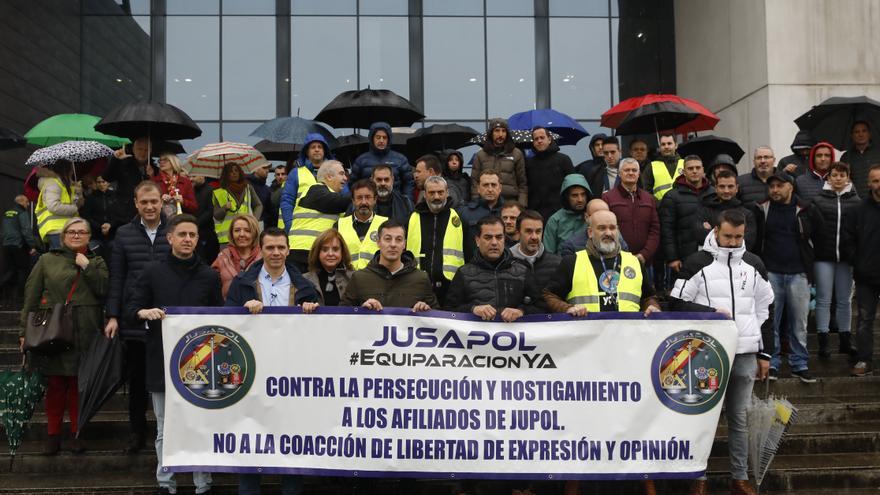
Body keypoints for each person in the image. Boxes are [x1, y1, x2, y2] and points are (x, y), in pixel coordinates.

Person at [669, 210, 774, 495]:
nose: (732, 242)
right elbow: (675, 302)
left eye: (738, 237)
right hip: (707, 355)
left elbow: (766, 310)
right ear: (716, 231)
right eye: (727, 236)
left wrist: (765, 354)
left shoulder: (754, 264)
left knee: (739, 419)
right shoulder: (696, 262)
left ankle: (739, 479)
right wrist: (711, 314)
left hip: (745, 353)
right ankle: (698, 479)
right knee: (703, 418)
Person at [126, 214, 222, 495]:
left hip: (202, 365)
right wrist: (143, 312)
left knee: (201, 426)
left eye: (192, 235)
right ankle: (166, 484)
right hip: (162, 361)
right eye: (182, 234)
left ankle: (203, 484)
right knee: (165, 429)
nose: (188, 239)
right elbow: (132, 306)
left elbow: (221, 319)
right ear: (169, 238)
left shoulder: (209, 276)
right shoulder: (152, 272)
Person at [225, 227, 319, 495]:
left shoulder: (304, 286)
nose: (276, 252)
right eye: (270, 248)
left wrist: (313, 310)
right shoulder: (243, 283)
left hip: (293, 374)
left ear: (288, 250)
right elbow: (226, 325)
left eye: (281, 247)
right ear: (261, 250)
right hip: (252, 374)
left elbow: (320, 334)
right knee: (251, 442)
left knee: (292, 444)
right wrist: (242, 312)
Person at [20, 217, 108, 455]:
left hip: (86, 331)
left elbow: (103, 290)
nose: (77, 235)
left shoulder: (96, 261)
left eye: (82, 232)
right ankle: (53, 435)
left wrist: (87, 267)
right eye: (72, 232)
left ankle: (76, 434)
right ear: (63, 235)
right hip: (54, 331)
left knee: (79, 386)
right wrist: (23, 332)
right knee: (56, 384)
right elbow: (31, 296)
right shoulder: (47, 260)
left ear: (89, 237)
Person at [104, 181, 171, 454]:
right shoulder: (123, 234)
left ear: (161, 201)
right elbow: (117, 276)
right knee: (138, 381)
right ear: (136, 203)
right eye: (144, 202)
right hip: (135, 319)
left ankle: (168, 432)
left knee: (169, 380)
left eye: (154, 201)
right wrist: (113, 315)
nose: (150, 206)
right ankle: (137, 430)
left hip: (169, 320)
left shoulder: (175, 231)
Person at [753, 171, 823, 383]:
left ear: (790, 187)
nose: (774, 190)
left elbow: (820, 236)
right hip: (770, 273)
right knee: (771, 322)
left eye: (779, 186)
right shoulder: (761, 208)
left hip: (799, 273)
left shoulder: (806, 209)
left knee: (799, 323)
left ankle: (799, 364)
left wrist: (811, 265)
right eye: (772, 186)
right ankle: (772, 363)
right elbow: (756, 239)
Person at [543, 209, 661, 315]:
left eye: (612, 228)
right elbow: (549, 295)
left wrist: (653, 307)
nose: (608, 233)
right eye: (602, 228)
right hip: (587, 335)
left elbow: (649, 297)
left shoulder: (635, 262)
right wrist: (567, 308)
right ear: (590, 232)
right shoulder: (572, 262)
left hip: (627, 335)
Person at [444, 216, 539, 320]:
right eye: (488, 237)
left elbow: (541, 307)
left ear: (504, 239)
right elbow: (448, 309)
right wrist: (472, 309)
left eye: (499, 237)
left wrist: (522, 311)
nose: (494, 242)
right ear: (477, 240)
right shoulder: (464, 273)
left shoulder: (523, 271)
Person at [812, 162, 859, 358]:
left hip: (846, 259)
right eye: (835, 175)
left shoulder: (857, 202)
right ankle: (823, 340)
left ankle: (845, 340)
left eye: (842, 175)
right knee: (823, 299)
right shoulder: (818, 200)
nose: (838, 178)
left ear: (848, 177)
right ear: (828, 177)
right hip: (823, 257)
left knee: (844, 300)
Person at [341, 219, 438, 311]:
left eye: (399, 239)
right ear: (378, 242)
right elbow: (341, 316)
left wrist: (426, 310)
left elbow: (439, 318)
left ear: (404, 244)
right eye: (388, 239)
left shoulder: (421, 279)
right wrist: (361, 310)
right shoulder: (359, 278)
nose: (393, 244)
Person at [843, 164, 880, 377]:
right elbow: (848, 240)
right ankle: (864, 360)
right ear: (868, 183)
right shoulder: (858, 209)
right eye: (875, 180)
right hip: (866, 275)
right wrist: (858, 263)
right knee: (865, 320)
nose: (878, 185)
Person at [406, 176, 466, 305]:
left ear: (447, 193)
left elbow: (469, 251)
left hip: (451, 287)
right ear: (425, 194)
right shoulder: (412, 217)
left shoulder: (459, 217)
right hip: (417, 286)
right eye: (432, 193)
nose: (437, 197)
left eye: (440, 192)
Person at [288, 160, 350, 271]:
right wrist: (360, 193)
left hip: (312, 253)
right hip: (302, 254)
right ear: (329, 177)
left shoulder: (328, 194)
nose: (345, 178)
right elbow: (338, 202)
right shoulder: (315, 190)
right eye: (341, 174)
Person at [601, 157, 660, 265]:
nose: (630, 173)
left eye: (634, 170)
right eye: (627, 170)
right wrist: (619, 255)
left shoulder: (649, 199)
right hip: (616, 260)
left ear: (639, 174)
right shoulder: (607, 198)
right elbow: (604, 230)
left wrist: (644, 254)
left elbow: (655, 230)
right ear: (619, 173)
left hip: (644, 262)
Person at [660, 155, 713, 273]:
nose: (694, 171)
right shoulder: (671, 197)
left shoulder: (714, 193)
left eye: (698, 168)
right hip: (685, 257)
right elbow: (667, 230)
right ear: (683, 171)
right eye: (690, 168)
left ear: (703, 170)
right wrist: (672, 258)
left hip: (712, 255)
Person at [471, 118, 527, 205]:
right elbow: (474, 182)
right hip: (486, 203)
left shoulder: (517, 153)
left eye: (503, 131)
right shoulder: (480, 155)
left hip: (510, 203)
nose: (500, 134)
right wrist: (475, 203)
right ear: (491, 133)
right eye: (497, 131)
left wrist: (521, 205)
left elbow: (522, 183)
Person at [698, 170, 758, 251]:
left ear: (736, 188)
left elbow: (748, 242)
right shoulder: (704, 211)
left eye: (730, 186)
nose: (726, 191)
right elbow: (700, 237)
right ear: (716, 188)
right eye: (722, 186)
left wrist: (711, 233)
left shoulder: (747, 214)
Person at [350, 122, 414, 198]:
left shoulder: (401, 159)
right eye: (378, 137)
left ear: (388, 139)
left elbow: (408, 183)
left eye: (384, 137)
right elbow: (353, 184)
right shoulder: (361, 160)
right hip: (369, 203)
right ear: (372, 138)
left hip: (395, 204)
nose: (381, 140)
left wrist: (407, 202)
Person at [278, 133, 326, 233]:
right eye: (313, 147)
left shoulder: (335, 172)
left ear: (324, 151)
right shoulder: (296, 173)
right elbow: (287, 202)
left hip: (327, 233)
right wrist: (290, 226)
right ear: (307, 152)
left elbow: (344, 199)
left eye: (320, 147)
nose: (317, 149)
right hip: (302, 234)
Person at [336, 179, 387, 269]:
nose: (363, 202)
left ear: (375, 199)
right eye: (359, 198)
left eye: (368, 197)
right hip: (346, 280)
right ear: (353, 200)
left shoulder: (386, 225)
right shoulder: (339, 225)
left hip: (376, 279)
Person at [526, 126, 574, 221]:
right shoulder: (529, 163)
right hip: (536, 215)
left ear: (549, 139)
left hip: (560, 213)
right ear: (534, 143)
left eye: (542, 137)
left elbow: (572, 186)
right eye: (536, 139)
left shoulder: (563, 160)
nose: (539, 141)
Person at [104, 137, 156, 224]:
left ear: (150, 152)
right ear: (133, 149)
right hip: (123, 214)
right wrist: (115, 159)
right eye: (140, 149)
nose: (143, 153)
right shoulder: (124, 163)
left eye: (146, 150)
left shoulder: (154, 169)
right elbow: (107, 177)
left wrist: (152, 177)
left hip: (146, 213)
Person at [509, 209, 562, 292]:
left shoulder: (557, 263)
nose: (534, 237)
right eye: (528, 231)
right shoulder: (506, 263)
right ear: (518, 233)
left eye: (538, 231)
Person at [211, 213, 262, 299]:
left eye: (247, 230)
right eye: (237, 230)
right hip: (229, 310)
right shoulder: (222, 257)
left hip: (259, 310)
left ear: (255, 233)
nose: (241, 234)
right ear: (231, 233)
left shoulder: (264, 258)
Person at [212, 162, 263, 247]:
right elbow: (216, 215)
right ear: (226, 174)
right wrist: (224, 208)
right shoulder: (218, 192)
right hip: (227, 238)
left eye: (236, 170)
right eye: (231, 171)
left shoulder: (248, 188)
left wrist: (254, 220)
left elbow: (259, 205)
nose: (234, 173)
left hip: (246, 234)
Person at [35, 159, 82, 250]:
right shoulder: (53, 184)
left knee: (62, 260)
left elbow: (75, 203)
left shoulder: (65, 184)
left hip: (64, 227)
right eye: (71, 169)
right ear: (66, 170)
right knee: (62, 260)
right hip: (56, 228)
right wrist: (74, 208)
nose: (72, 172)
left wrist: (78, 193)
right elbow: (53, 206)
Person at [303, 229, 354, 306]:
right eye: (325, 249)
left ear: (342, 252)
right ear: (317, 253)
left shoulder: (353, 278)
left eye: (335, 249)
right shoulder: (304, 280)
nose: (330, 254)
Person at [460, 170, 505, 256]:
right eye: (485, 185)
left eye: (494, 185)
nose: (490, 189)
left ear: (500, 188)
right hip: (473, 266)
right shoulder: (465, 213)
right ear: (478, 189)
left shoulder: (509, 213)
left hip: (504, 267)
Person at [2, 195, 38, 303]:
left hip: (6, 245)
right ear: (22, 202)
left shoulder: (7, 213)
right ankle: (21, 296)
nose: (28, 204)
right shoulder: (22, 212)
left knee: (10, 270)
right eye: (27, 202)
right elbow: (26, 230)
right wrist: (32, 246)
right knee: (23, 269)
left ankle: (5, 295)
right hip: (18, 245)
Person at [544, 174, 590, 254]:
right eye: (574, 195)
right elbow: (549, 254)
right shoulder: (555, 220)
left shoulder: (593, 216)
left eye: (583, 194)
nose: (580, 199)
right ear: (566, 197)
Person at [80, 175, 119, 258]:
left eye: (103, 182)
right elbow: (86, 216)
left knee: (114, 259)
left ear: (108, 183)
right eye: (99, 182)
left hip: (113, 235)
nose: (101, 184)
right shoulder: (90, 198)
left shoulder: (116, 196)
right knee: (95, 259)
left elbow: (119, 215)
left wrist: (110, 225)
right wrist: (99, 226)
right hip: (95, 235)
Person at [841, 121, 880, 198]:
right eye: (856, 132)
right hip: (855, 202)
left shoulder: (878, 152)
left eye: (864, 131)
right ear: (851, 135)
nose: (861, 134)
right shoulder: (845, 157)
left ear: (869, 134)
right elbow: (841, 182)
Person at [644, 133, 684, 201]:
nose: (666, 147)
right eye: (663, 144)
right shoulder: (651, 166)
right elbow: (645, 192)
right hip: (661, 209)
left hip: (684, 207)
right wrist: (658, 205)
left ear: (676, 145)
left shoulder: (685, 164)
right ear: (659, 147)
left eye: (669, 143)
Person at [190, 174, 219, 264]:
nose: (191, 179)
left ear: (202, 176)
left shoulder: (210, 190)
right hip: (195, 232)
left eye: (194, 177)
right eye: (190, 177)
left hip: (207, 233)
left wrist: (196, 223)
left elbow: (210, 211)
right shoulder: (191, 190)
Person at [247, 161, 273, 227]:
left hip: (262, 226)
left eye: (268, 168)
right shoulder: (246, 186)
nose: (267, 171)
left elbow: (269, 212)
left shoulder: (267, 189)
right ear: (255, 169)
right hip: (246, 223)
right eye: (264, 168)